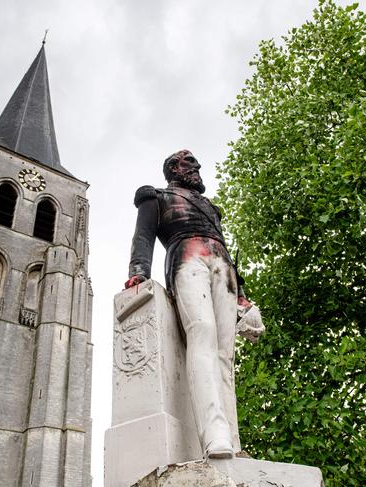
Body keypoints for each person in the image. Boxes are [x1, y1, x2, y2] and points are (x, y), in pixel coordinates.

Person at [125, 149, 250, 459]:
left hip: (223, 267)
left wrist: (243, 296)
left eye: (195, 162)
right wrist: (138, 273)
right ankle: (215, 433)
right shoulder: (157, 197)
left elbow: (227, 249)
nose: (196, 167)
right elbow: (143, 237)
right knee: (202, 333)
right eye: (189, 162)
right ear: (173, 168)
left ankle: (234, 440)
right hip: (186, 259)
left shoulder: (211, 208)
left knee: (225, 355)